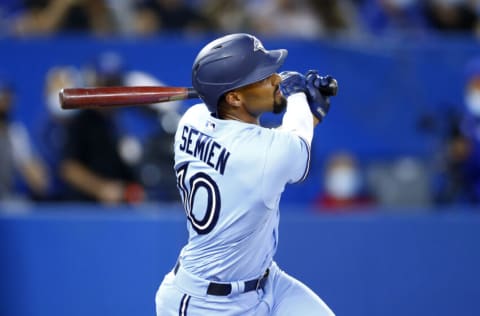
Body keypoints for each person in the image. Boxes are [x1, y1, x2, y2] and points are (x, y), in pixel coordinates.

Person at [154, 33, 337, 315]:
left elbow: (270, 149)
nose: (277, 80)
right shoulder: (265, 153)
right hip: (206, 304)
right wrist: (300, 97)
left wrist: (303, 111)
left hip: (269, 284)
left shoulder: (191, 120)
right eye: (264, 76)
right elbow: (290, 149)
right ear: (234, 97)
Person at [0, 79, 49, 202]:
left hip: (5, 202)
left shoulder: (14, 133)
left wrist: (35, 173)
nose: (5, 103)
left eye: (7, 98)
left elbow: (40, 182)